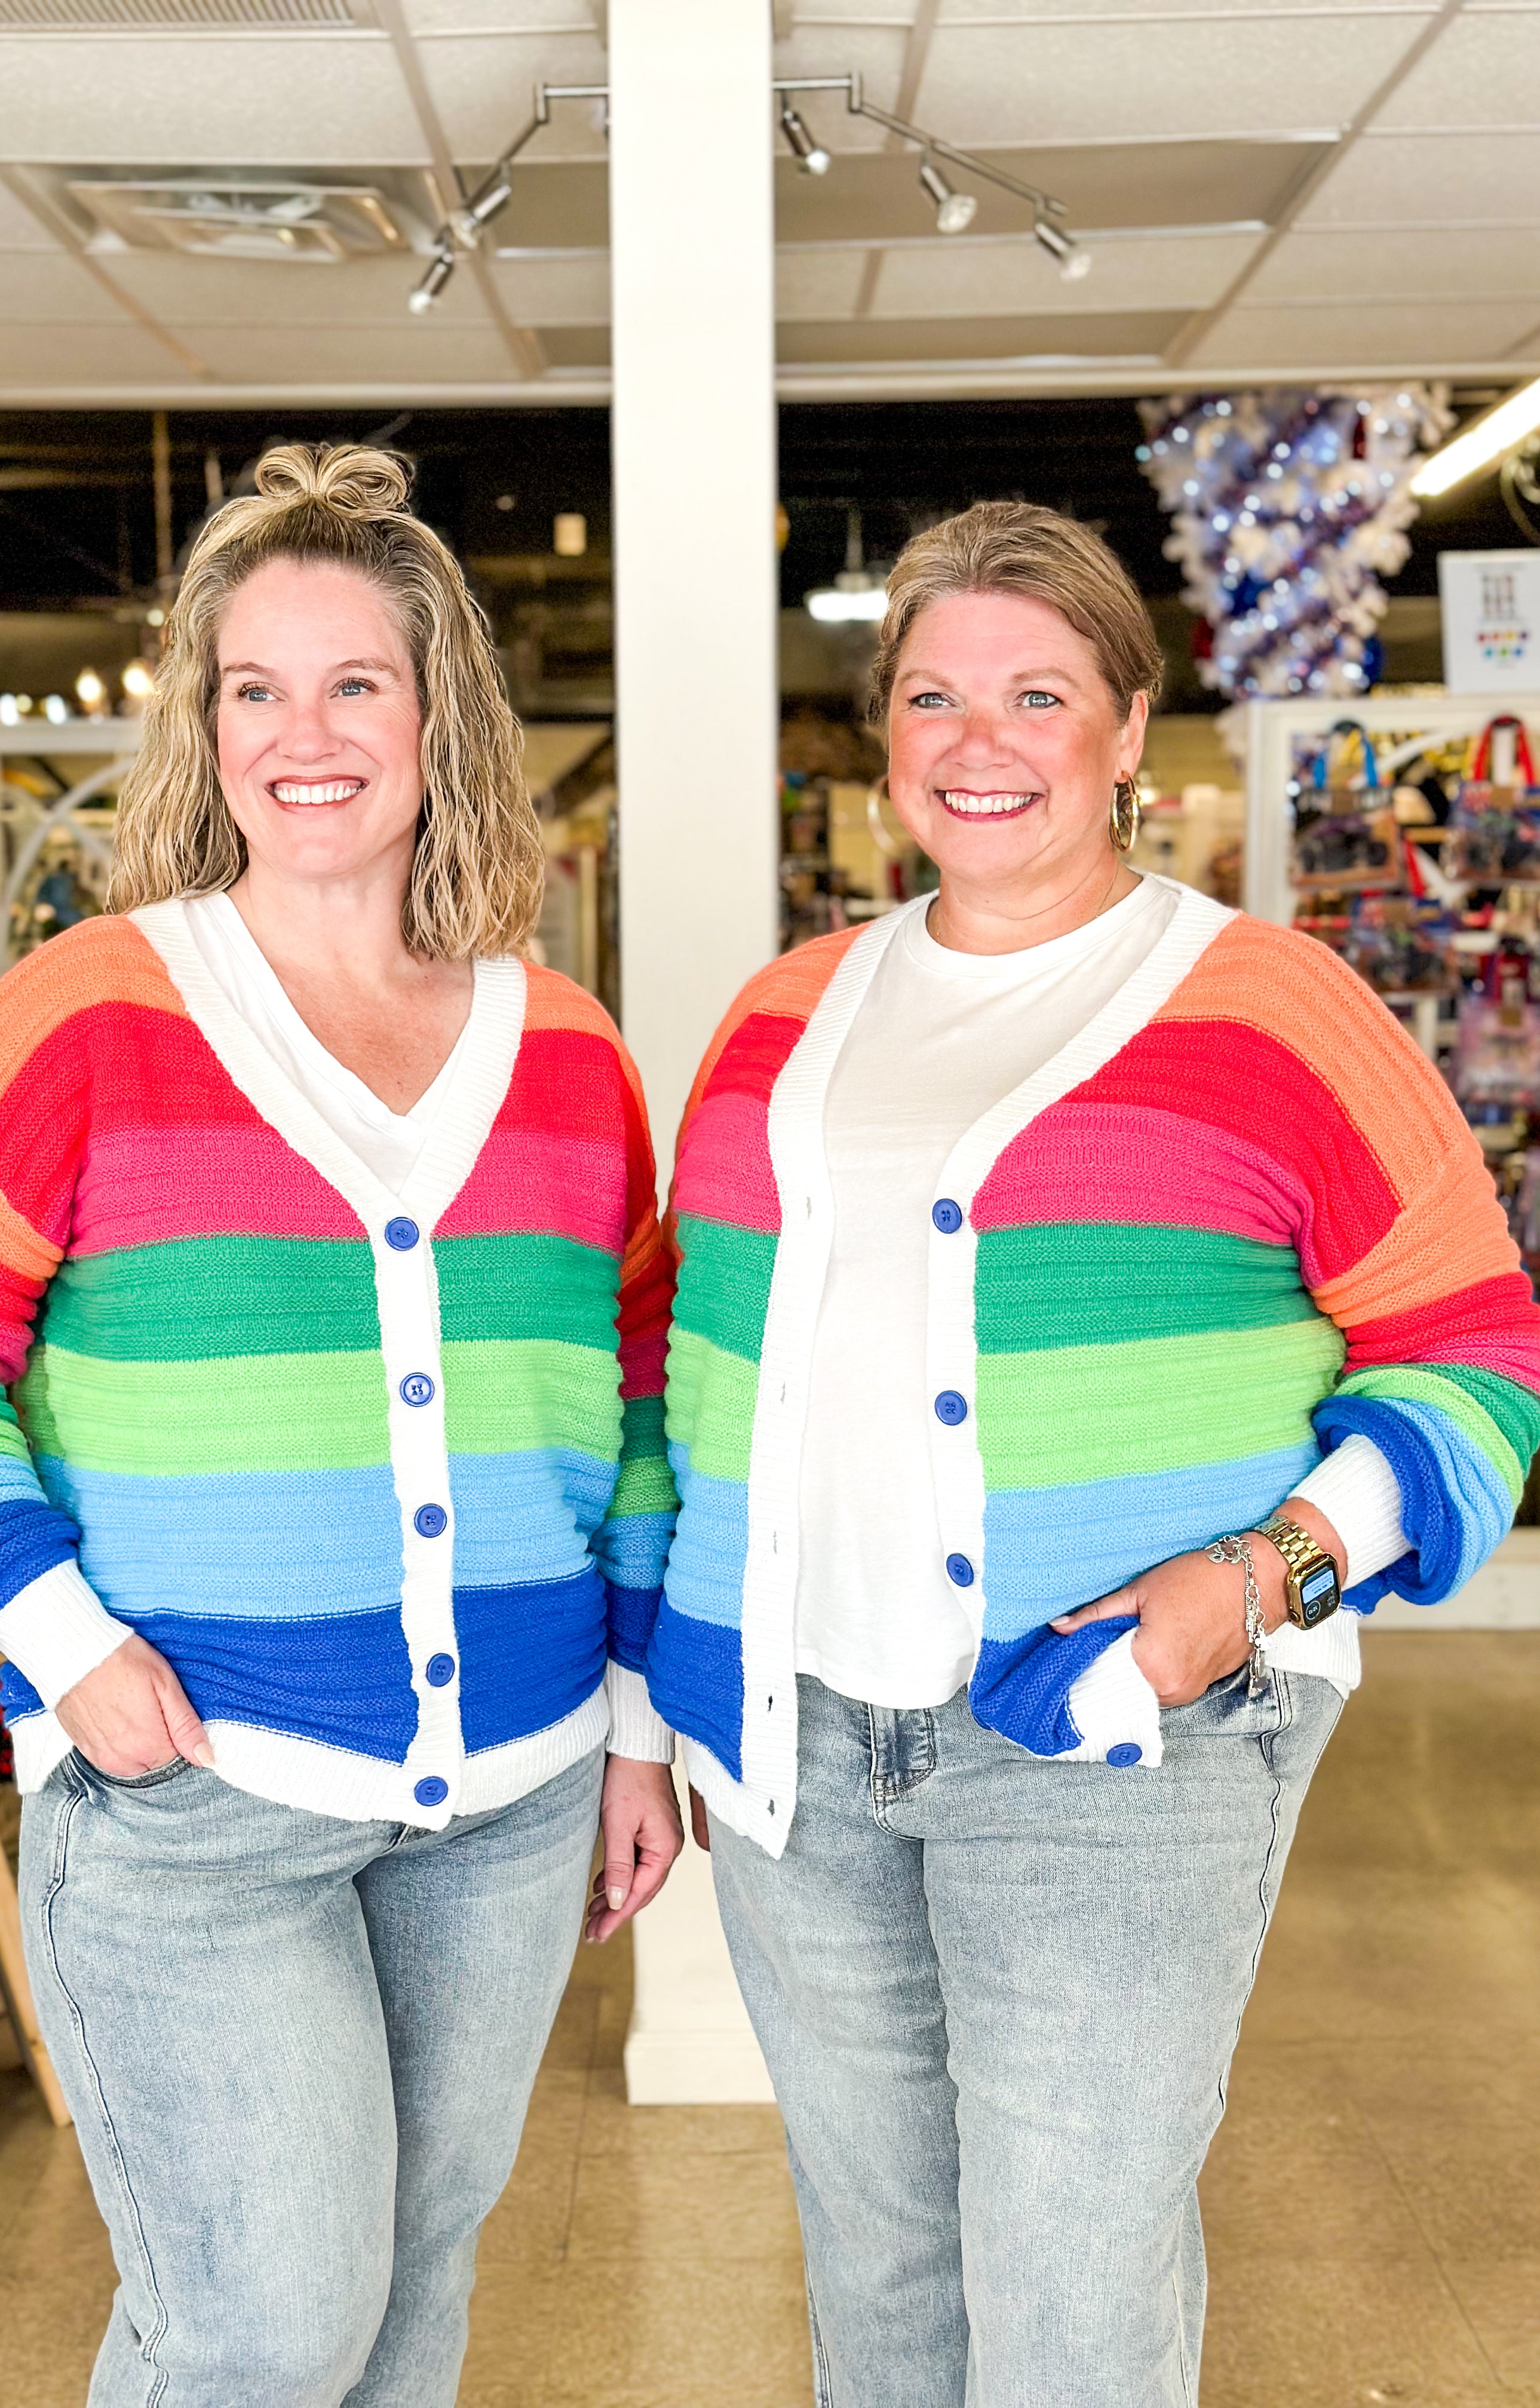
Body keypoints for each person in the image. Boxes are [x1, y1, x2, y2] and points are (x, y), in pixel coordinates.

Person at [644, 500, 1540, 2406]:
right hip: (799, 1746)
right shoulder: (781, 1019)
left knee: (1065, 2303)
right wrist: (667, 1704)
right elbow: (681, 1384)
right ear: (883, 732)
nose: (980, 742)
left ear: (1130, 731)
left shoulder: (1280, 1011)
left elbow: (1475, 1352)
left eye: (1037, 694)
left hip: (1116, 1734)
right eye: (934, 695)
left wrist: (1258, 1584)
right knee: (878, 2266)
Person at [0, 444, 683, 2408]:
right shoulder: (78, 1017)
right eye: (253, 690)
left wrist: (637, 1728)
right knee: (261, 2328)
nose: (305, 735)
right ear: (201, 729)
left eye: (355, 684)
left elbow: (635, 1408)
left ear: (437, 716)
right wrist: (59, 1643)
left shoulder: (565, 1052)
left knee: (412, 2301)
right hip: (194, 1786)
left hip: (517, 1794)